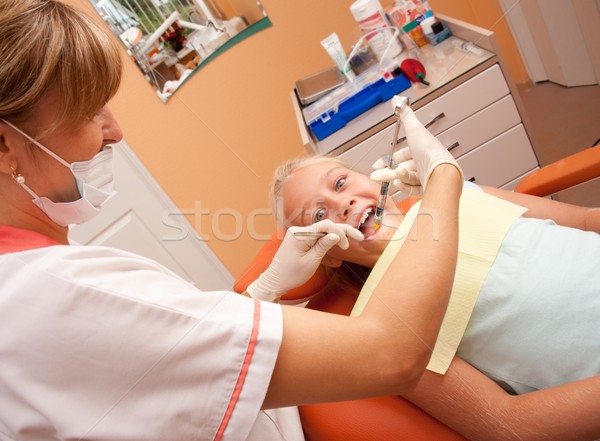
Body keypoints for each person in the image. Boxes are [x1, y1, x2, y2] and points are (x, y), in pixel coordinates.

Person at [0, 1, 468, 439]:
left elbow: (176, 354)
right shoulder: (62, 294)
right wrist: (445, 177)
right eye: (87, 113)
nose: (115, 132)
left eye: (341, 183)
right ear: (5, 146)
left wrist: (260, 293)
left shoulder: (35, 283)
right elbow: (393, 353)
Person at [272, 106, 600, 440]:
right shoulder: (383, 329)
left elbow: (588, 221)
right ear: (325, 255)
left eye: (340, 183)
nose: (342, 204)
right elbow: (510, 424)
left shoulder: (457, 196)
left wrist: (445, 187)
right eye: (318, 215)